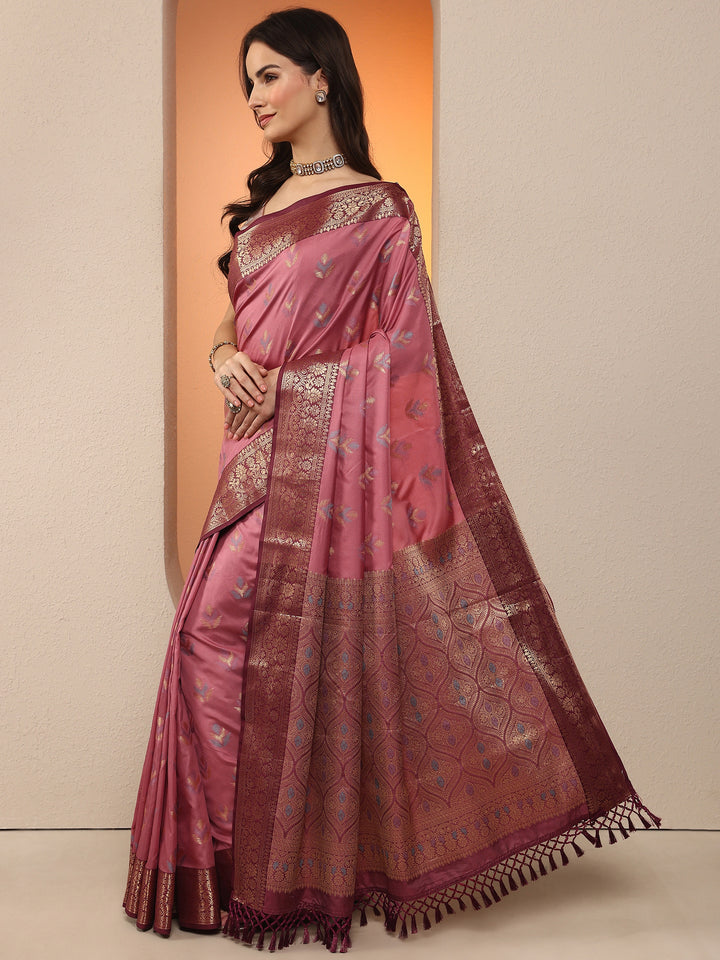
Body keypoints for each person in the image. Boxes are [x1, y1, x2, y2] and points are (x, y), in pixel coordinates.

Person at [124, 8, 660, 952]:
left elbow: (404, 357)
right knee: (209, 638)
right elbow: (234, 320)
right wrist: (220, 358)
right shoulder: (261, 208)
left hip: (318, 466)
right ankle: (218, 868)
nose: (254, 96)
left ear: (321, 77)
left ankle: (274, 870)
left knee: (273, 649)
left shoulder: (379, 211)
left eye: (269, 75)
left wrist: (297, 386)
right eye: (246, 81)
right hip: (251, 460)